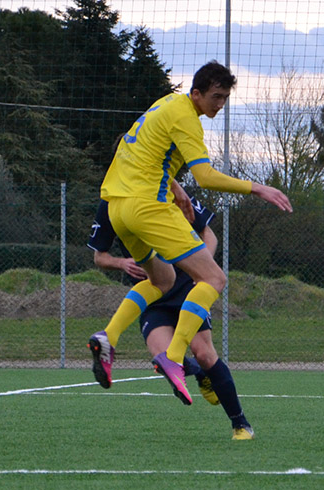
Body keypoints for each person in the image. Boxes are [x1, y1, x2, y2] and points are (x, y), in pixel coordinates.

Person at [88, 60, 292, 440]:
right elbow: (206, 177)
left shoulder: (163, 105)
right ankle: (173, 356)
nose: (220, 104)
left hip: (118, 208)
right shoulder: (187, 118)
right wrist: (258, 188)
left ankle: (108, 338)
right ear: (196, 93)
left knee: (162, 280)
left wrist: (175, 186)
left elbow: (142, 154)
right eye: (216, 96)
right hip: (149, 207)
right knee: (214, 278)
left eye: (225, 98)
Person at [88, 193, 255, 439]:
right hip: (152, 296)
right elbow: (99, 256)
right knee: (164, 358)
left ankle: (241, 424)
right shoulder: (112, 201)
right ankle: (199, 373)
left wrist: (202, 268)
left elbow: (208, 234)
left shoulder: (168, 189)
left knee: (204, 353)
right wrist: (122, 263)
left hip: (189, 290)